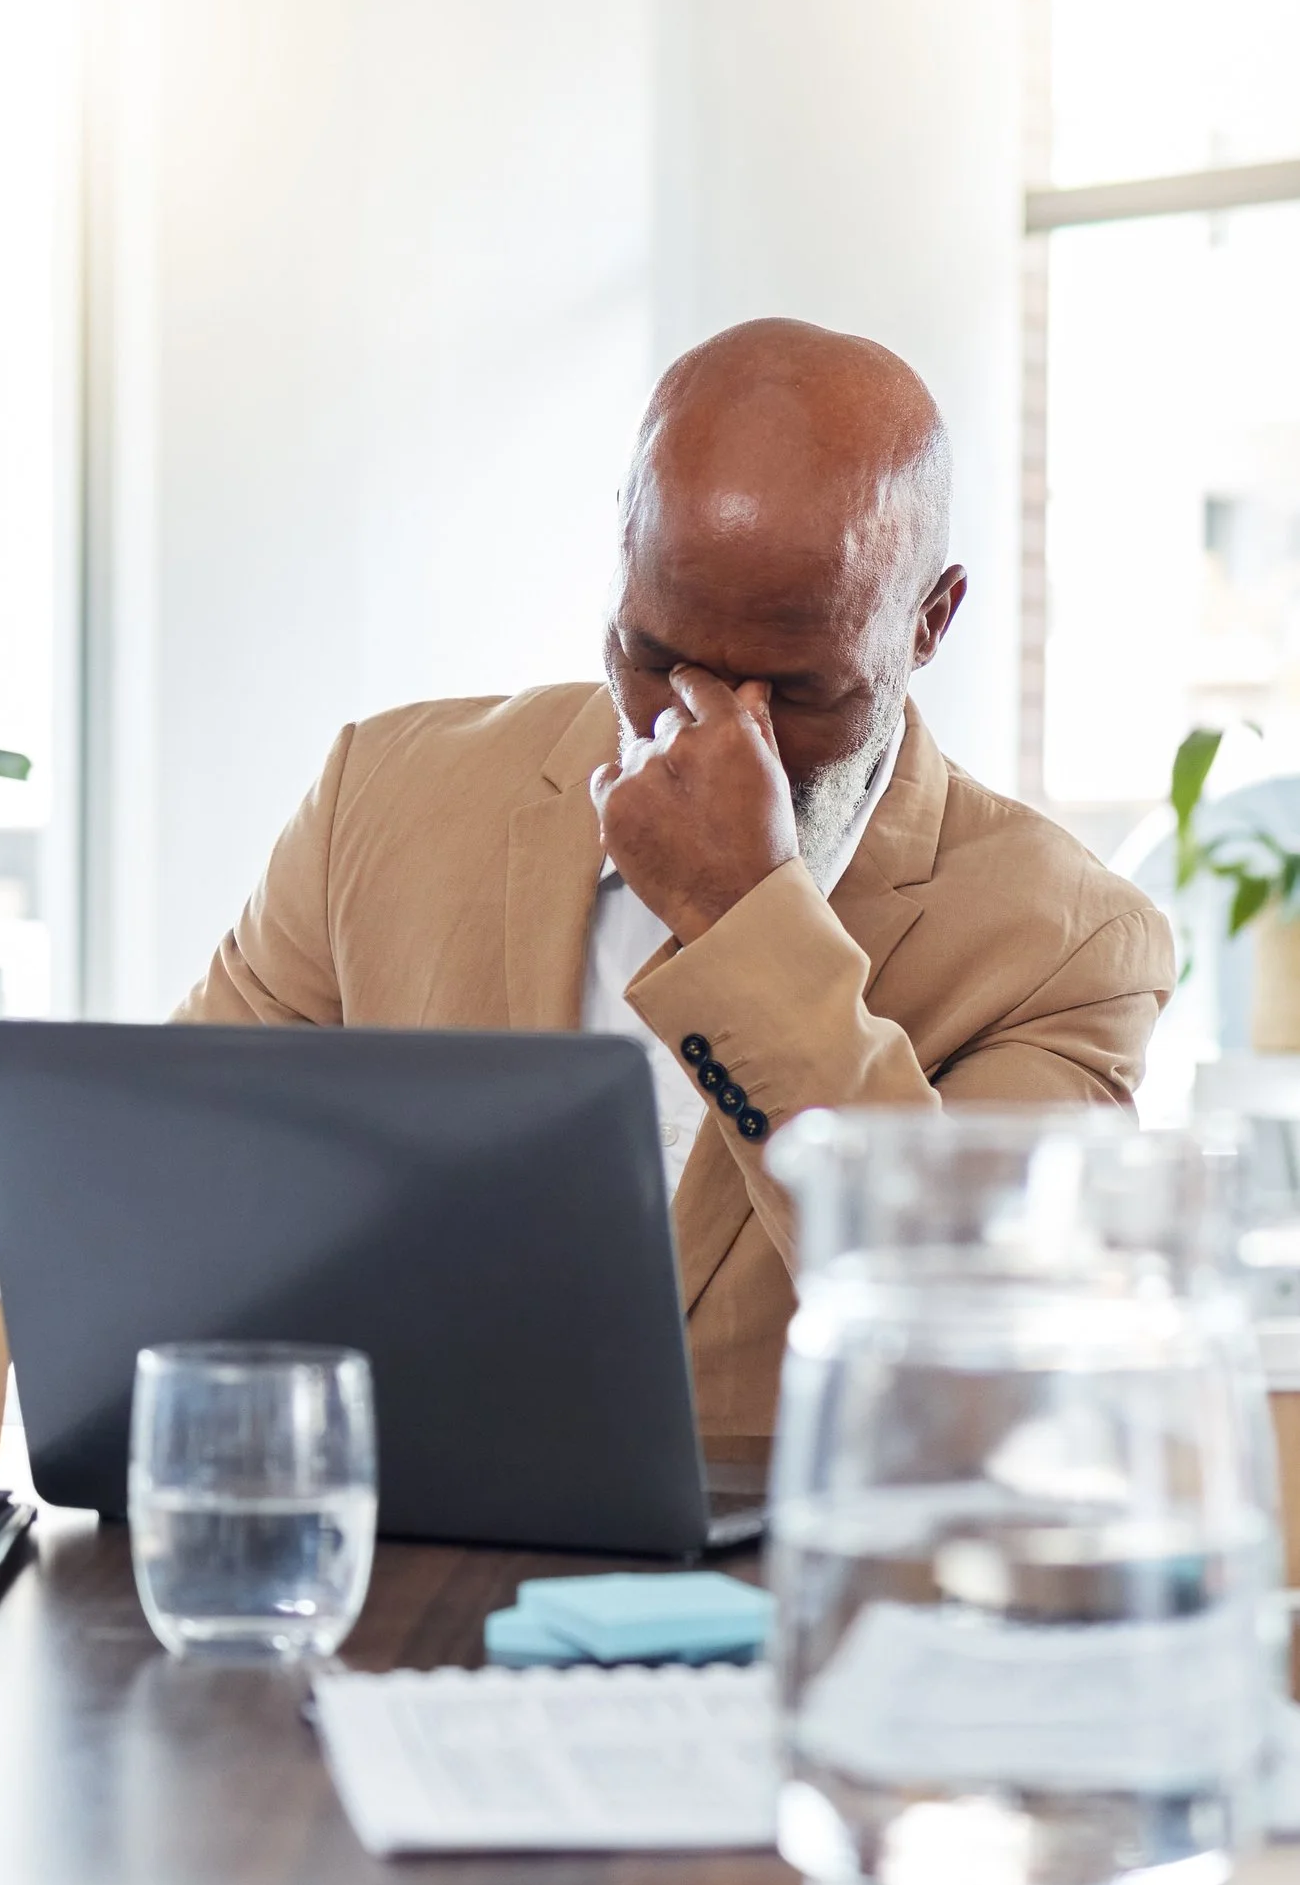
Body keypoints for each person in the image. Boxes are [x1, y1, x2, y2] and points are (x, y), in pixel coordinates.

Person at [179, 318, 1176, 1456]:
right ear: (623, 546)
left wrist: (741, 919)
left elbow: (974, 1347)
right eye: (653, 658)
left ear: (930, 621)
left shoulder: (1068, 947)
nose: (703, 730)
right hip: (399, 1566)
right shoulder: (385, 795)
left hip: (784, 1604)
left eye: (795, 690)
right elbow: (180, 1189)